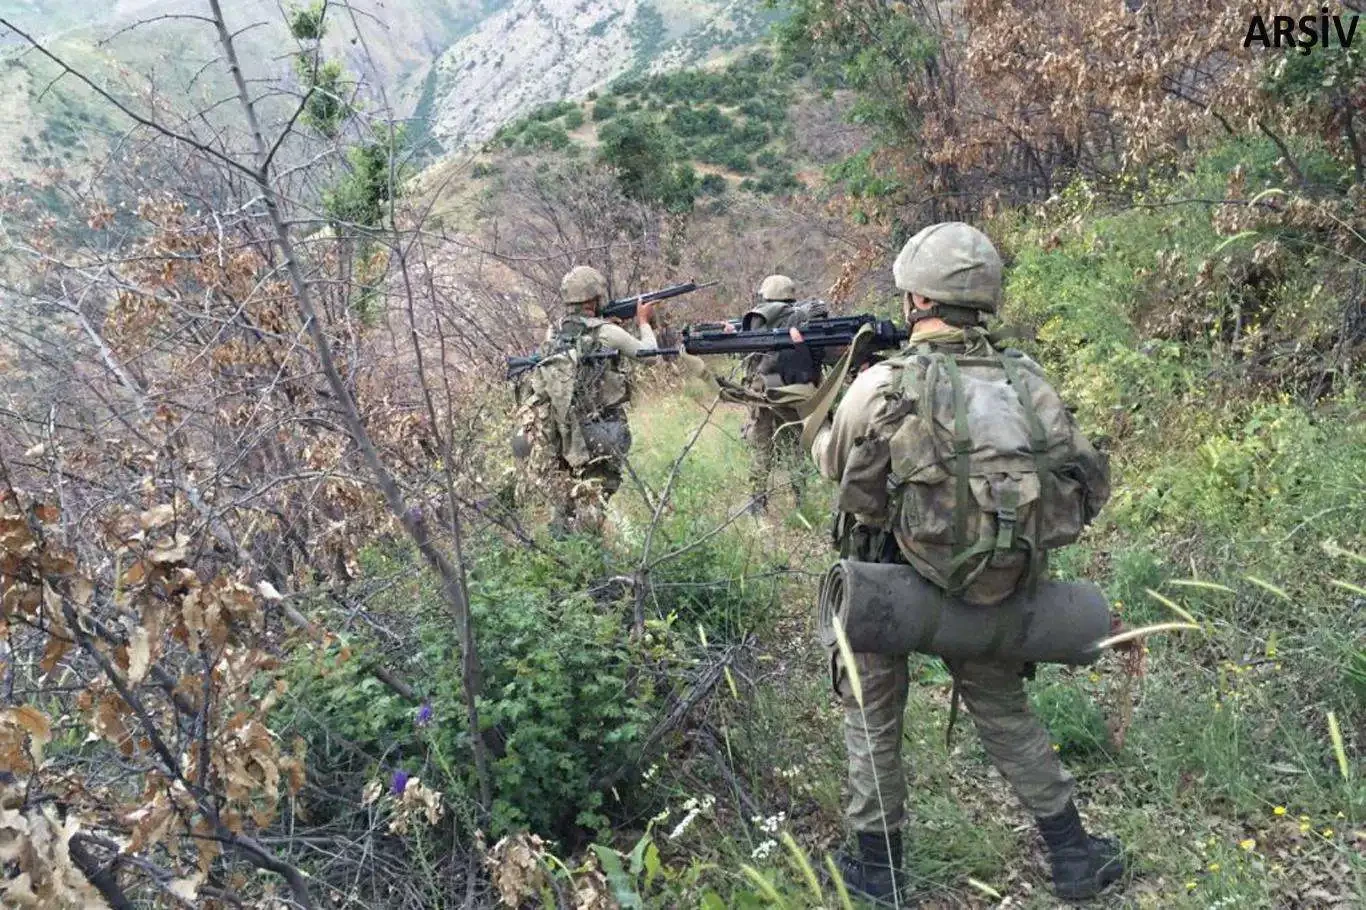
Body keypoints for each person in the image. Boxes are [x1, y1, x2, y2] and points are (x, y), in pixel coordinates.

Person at [807, 223, 1124, 904]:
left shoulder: (884, 383)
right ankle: (1073, 856)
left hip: (886, 583)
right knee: (1005, 713)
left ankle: (878, 871)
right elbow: (1084, 476)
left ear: (918, 301)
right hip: (989, 581)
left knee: (871, 718)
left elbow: (833, 466)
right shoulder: (1029, 383)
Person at [514, 265, 707, 534]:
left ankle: (562, 548)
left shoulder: (555, 332)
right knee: (595, 496)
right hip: (598, 431)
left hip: (561, 431)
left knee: (566, 497)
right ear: (594, 300)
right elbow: (650, 356)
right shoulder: (605, 332)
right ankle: (587, 555)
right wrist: (642, 323)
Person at [734, 274, 827, 512]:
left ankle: (756, 502)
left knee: (762, 445)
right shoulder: (803, 317)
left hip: (764, 390)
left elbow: (750, 354)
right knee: (796, 446)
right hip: (796, 392)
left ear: (766, 294)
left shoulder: (761, 318)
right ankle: (801, 501)